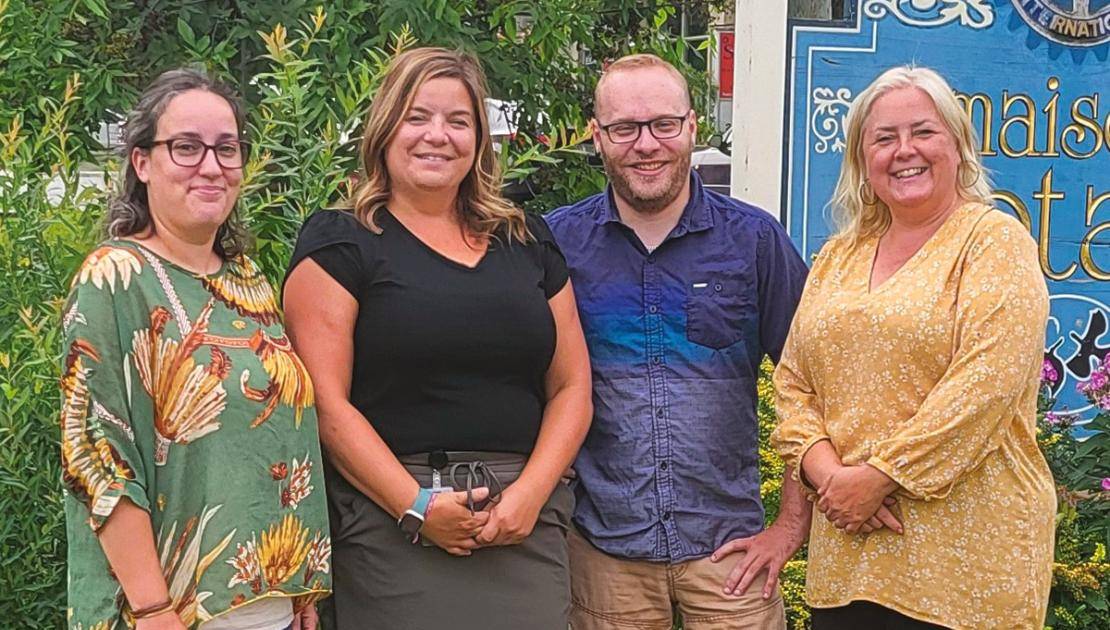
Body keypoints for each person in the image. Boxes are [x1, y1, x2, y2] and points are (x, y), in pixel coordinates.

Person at [282, 47, 592, 629]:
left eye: (458, 121)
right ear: (385, 128)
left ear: (479, 140)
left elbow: (573, 385)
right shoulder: (342, 243)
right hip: (391, 524)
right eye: (417, 117)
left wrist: (531, 494)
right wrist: (415, 505)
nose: (437, 136)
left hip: (522, 526)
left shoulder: (525, 239)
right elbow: (324, 401)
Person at [771, 65, 1055, 629]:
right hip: (849, 560)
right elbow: (793, 382)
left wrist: (879, 477)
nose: (905, 151)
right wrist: (829, 476)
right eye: (884, 138)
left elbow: (984, 389)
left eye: (923, 132)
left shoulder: (993, 243)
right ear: (861, 158)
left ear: (957, 144)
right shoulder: (837, 257)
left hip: (965, 568)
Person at [544, 54, 815, 630]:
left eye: (664, 124)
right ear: (597, 136)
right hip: (603, 560)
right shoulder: (556, 247)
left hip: (732, 560)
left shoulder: (754, 241)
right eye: (625, 128)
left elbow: (814, 383)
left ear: (693, 126)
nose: (647, 144)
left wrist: (791, 527)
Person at [62, 68, 331, 630]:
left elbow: (271, 434)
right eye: (186, 147)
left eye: (226, 149)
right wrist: (151, 607)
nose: (211, 166)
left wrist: (297, 578)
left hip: (266, 606)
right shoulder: (116, 278)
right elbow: (97, 454)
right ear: (142, 163)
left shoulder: (248, 281)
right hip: (171, 613)